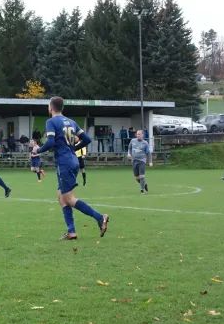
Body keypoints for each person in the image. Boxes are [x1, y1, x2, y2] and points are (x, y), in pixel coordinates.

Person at [34, 97, 109, 240]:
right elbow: (87, 139)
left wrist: (38, 150)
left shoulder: (51, 122)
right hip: (72, 160)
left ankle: (100, 217)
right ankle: (71, 231)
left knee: (69, 199)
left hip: (64, 162)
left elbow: (50, 142)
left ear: (50, 107)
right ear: (62, 108)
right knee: (61, 197)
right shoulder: (72, 122)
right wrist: (73, 148)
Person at [127, 130, 153, 194]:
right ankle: (144, 185)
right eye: (137, 134)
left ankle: (142, 190)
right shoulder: (132, 141)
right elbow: (129, 148)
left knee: (141, 176)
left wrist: (150, 161)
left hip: (142, 161)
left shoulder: (145, 143)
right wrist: (129, 154)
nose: (137, 135)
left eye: (139, 134)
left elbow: (148, 153)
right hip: (134, 161)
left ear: (142, 135)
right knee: (137, 177)